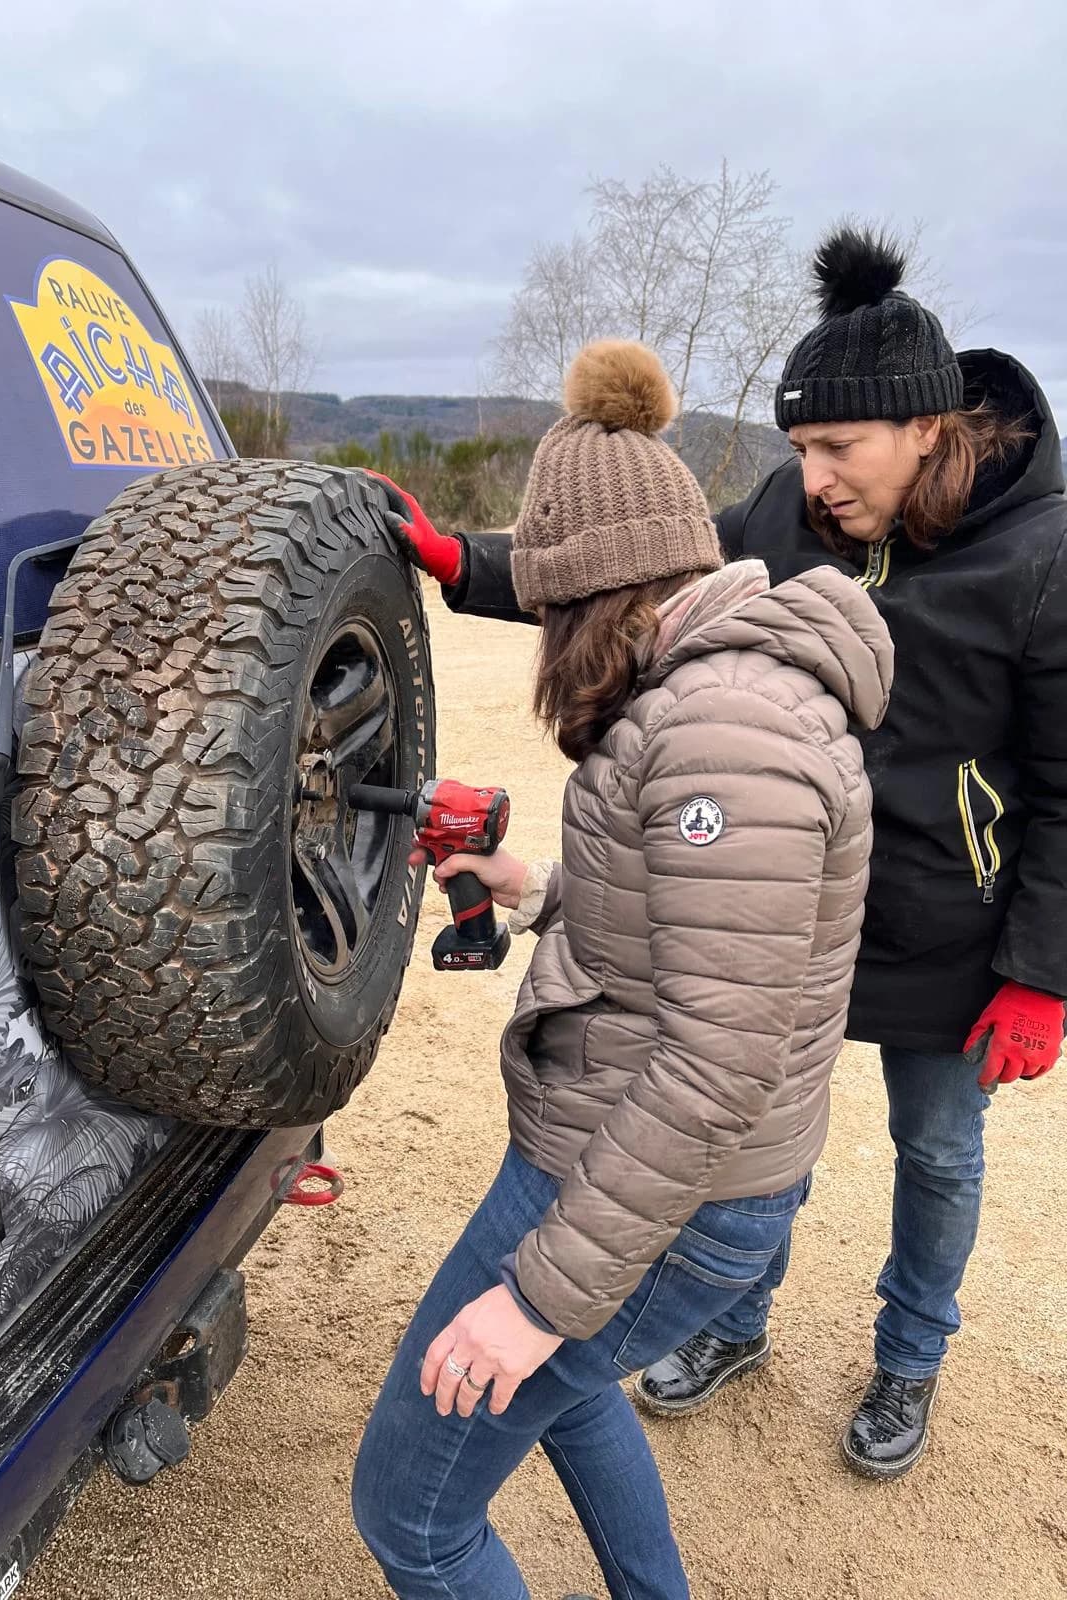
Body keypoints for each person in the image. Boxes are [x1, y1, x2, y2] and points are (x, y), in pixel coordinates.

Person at [374, 226, 1067, 1481]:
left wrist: (1043, 971)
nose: (810, 479)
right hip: (776, 898)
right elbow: (628, 562)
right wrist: (462, 565)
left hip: (950, 926)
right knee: (763, 1126)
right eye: (798, 450)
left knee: (939, 1151)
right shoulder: (801, 514)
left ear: (924, 427)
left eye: (836, 448)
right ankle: (735, 1321)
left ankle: (908, 1358)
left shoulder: (1042, 554)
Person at [352, 339, 892, 1600]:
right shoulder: (712, 694)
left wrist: (541, 1296)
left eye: (549, 610)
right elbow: (703, 940)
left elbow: (719, 1053)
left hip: (649, 1195)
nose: (544, 638)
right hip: (655, 1175)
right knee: (575, 1393)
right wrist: (540, 891)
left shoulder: (721, 727)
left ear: (599, 594)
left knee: (412, 1514)